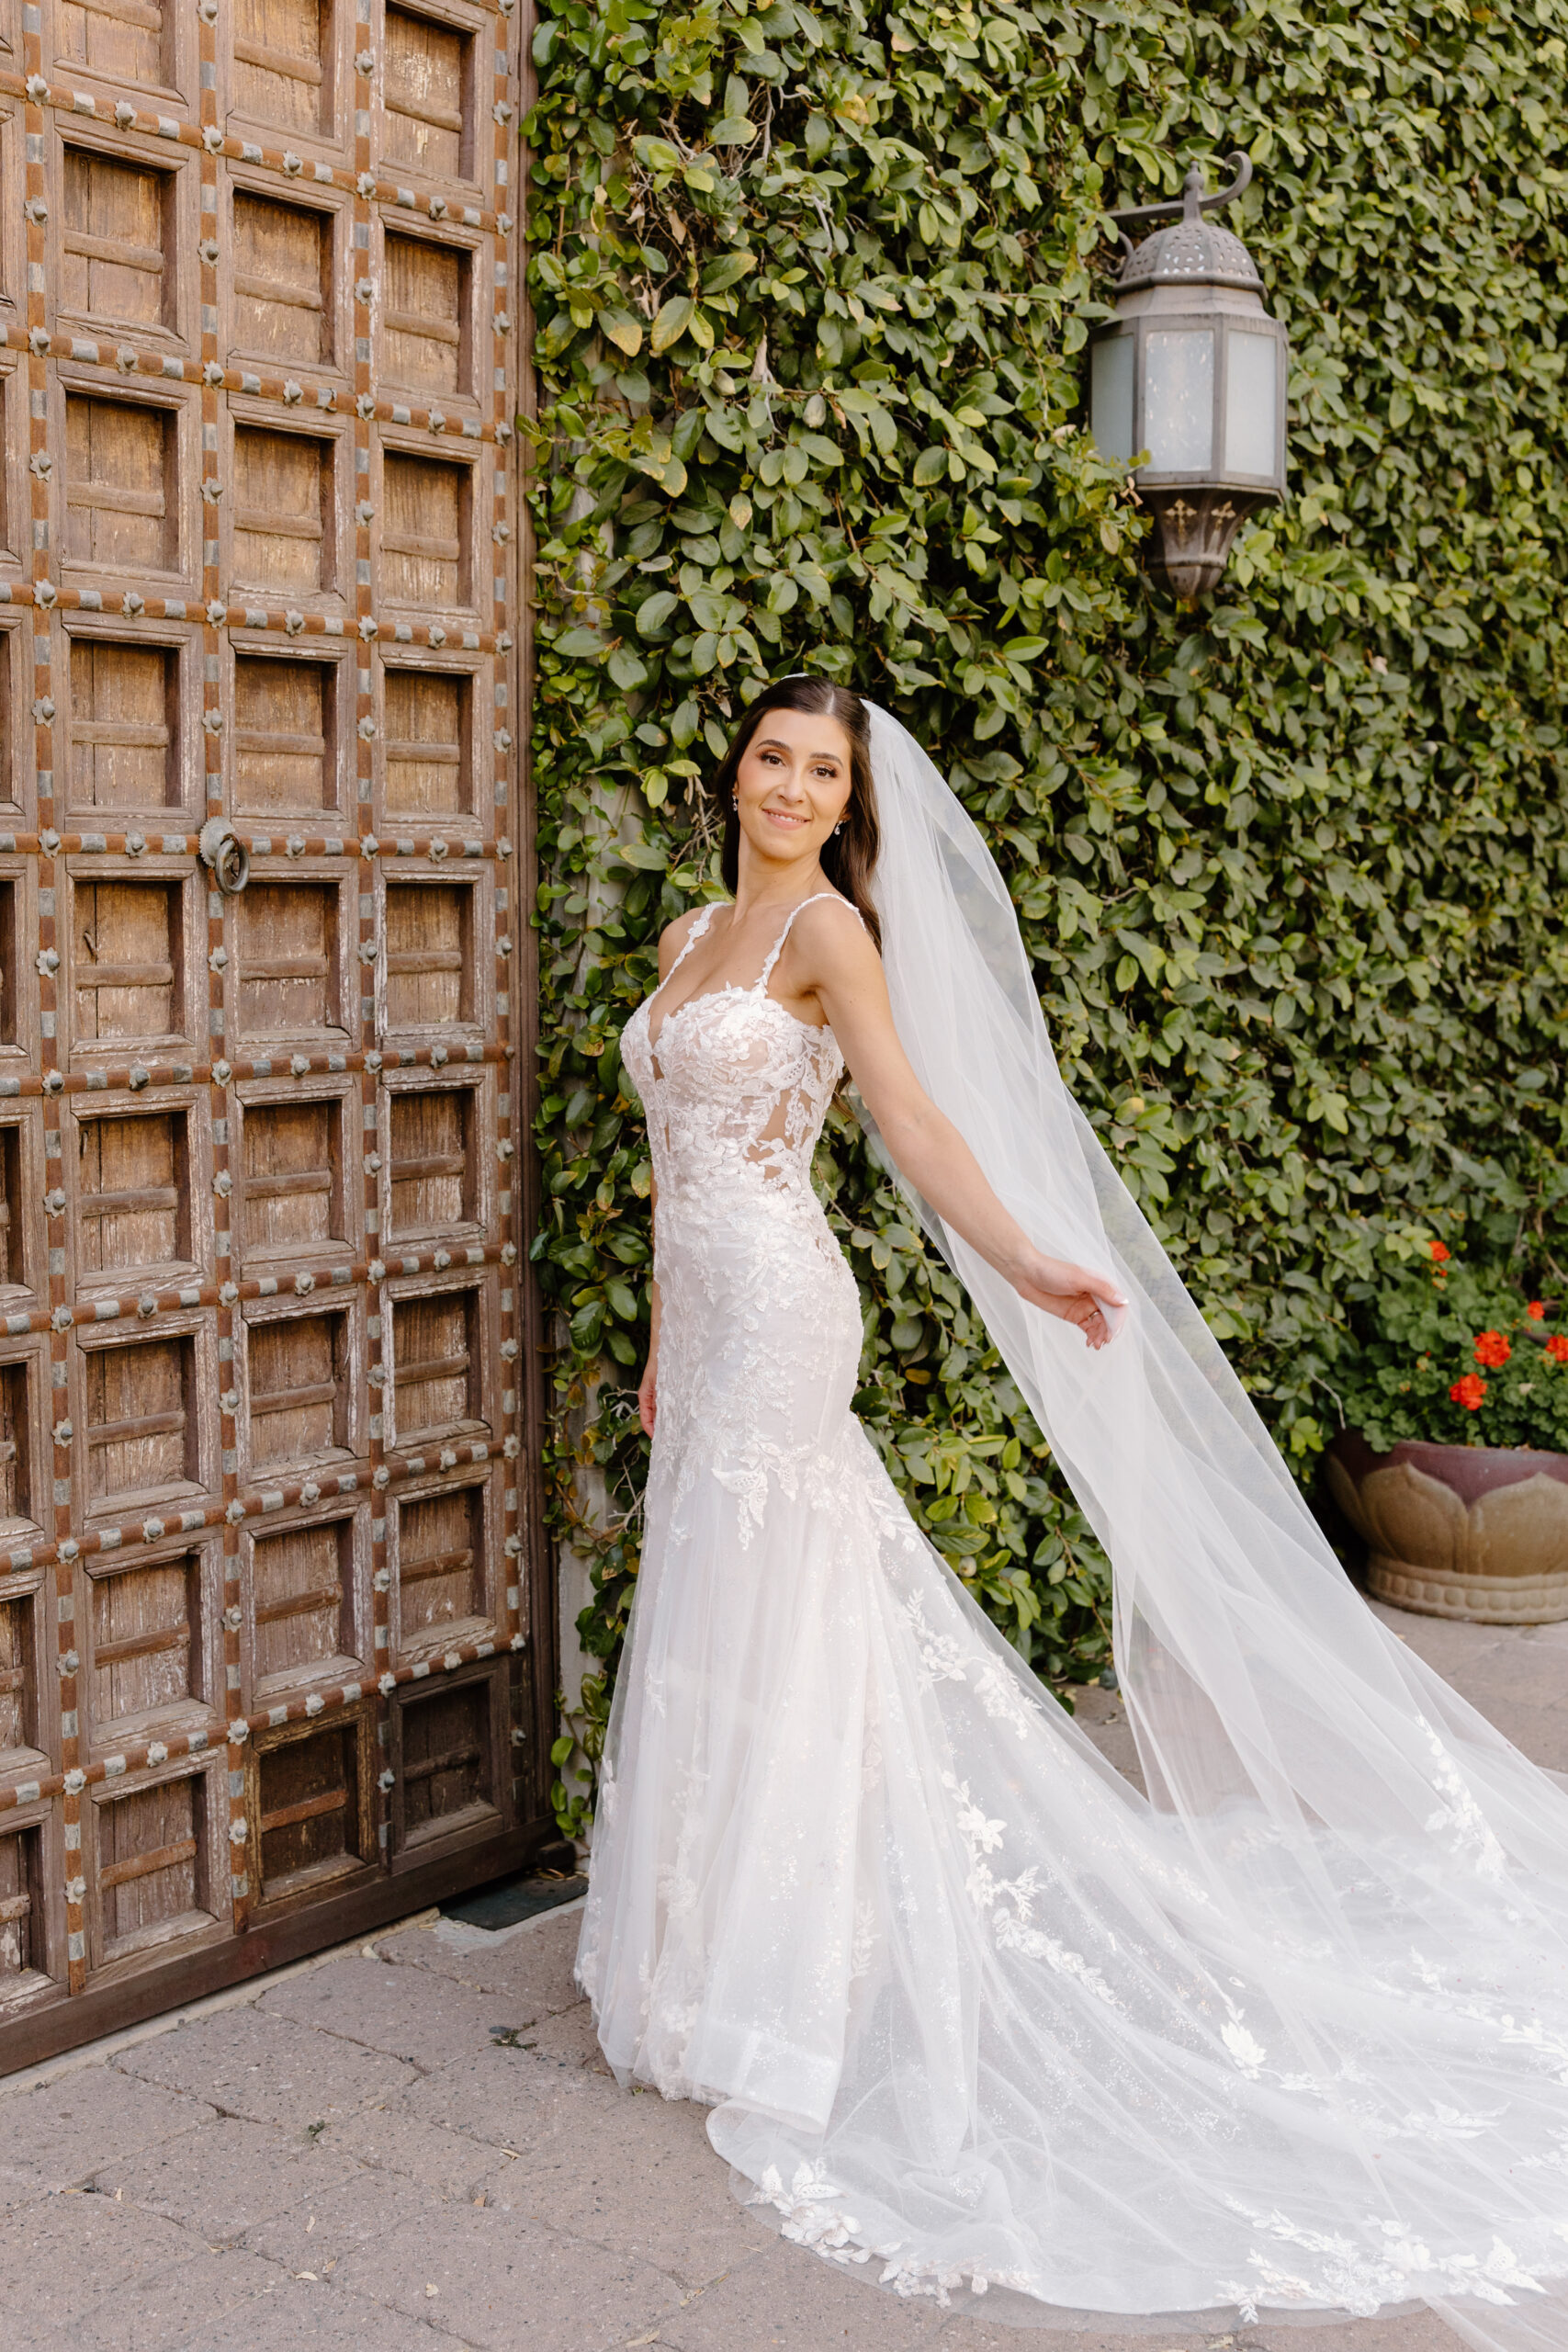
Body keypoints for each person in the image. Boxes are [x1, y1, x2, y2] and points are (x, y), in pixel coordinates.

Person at [575, 676, 1568, 2350]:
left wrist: (1031, 1262)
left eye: (823, 772)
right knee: (718, 1614)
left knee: (793, 1600)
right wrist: (668, 1343)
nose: (792, 789)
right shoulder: (689, 935)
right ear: (733, 772)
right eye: (772, 759)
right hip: (712, 1325)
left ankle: (792, 1974)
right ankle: (709, 1948)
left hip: (790, 1308)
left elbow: (909, 1117)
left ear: (850, 804)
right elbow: (678, 1169)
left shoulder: (828, 935)